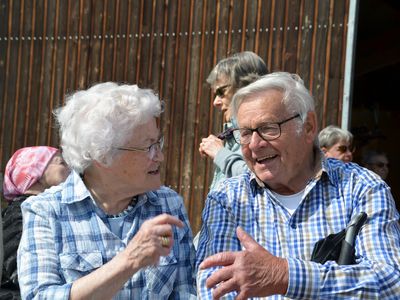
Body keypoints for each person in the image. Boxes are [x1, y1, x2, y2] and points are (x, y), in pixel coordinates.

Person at [196, 72, 400, 299]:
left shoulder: (361, 188)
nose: (255, 144)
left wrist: (286, 275)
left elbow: (391, 283)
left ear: (309, 126)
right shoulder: (227, 199)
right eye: (245, 133)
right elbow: (213, 289)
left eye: (268, 128)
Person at [17, 83, 196, 299]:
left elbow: (187, 291)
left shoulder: (168, 205)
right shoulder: (46, 211)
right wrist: (129, 260)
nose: (159, 156)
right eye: (148, 146)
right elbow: (39, 296)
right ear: (102, 155)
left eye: (158, 143)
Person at [1, 146, 70, 299]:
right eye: (62, 163)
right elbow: (20, 272)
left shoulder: (52, 208)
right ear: (35, 173)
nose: (70, 168)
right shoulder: (20, 215)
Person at [199, 51, 269, 191]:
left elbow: (258, 179)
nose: (215, 102)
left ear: (246, 86)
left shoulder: (266, 130)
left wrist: (220, 153)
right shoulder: (235, 130)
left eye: (221, 92)